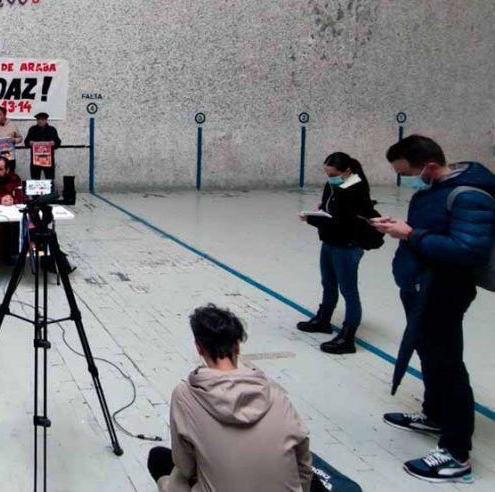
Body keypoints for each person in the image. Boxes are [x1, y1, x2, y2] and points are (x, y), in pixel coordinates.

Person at [371, 135, 495, 483]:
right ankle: (435, 414)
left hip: (445, 291)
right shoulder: (437, 189)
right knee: (427, 353)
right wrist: (401, 229)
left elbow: (469, 250)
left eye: (408, 174)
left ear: (428, 167)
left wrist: (410, 234)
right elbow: (433, 229)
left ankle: (456, 452)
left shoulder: (469, 196)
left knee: (447, 364)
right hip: (423, 288)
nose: (406, 180)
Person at [148, 304, 313, 492]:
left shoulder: (184, 396)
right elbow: (303, 464)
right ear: (237, 346)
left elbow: (186, 467)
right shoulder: (275, 395)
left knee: (159, 459)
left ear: (199, 348)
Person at [297, 153, 381, 354]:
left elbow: (342, 221)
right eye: (327, 174)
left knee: (348, 290)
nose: (330, 178)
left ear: (347, 171)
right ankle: (323, 318)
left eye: (333, 174)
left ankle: (348, 335)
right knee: (328, 283)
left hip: (347, 245)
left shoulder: (355, 188)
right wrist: (321, 210)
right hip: (330, 241)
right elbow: (330, 208)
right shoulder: (334, 185)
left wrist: (312, 219)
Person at [24, 112, 62, 182]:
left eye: (42, 119)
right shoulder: (32, 129)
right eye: (38, 119)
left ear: (46, 120)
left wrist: (53, 143)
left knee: (50, 180)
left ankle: (50, 188)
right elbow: (26, 142)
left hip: (48, 160)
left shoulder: (52, 129)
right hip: (35, 160)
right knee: (35, 180)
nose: (40, 121)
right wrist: (30, 143)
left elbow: (58, 142)